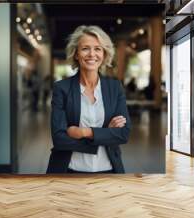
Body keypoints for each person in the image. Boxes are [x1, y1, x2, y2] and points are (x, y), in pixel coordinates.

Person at [46, 25, 131, 174]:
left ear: (104, 54)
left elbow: (123, 134)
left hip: (109, 171)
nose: (92, 54)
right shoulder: (62, 88)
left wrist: (84, 132)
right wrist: (105, 134)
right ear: (76, 54)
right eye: (85, 48)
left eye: (98, 49)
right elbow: (59, 139)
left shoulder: (115, 87)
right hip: (69, 170)